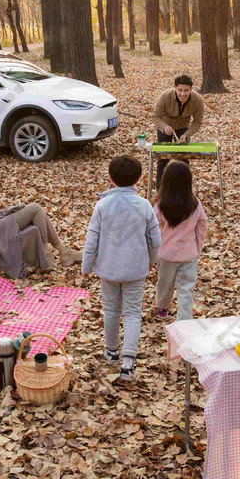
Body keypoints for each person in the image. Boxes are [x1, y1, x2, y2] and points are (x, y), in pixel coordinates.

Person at [82, 155, 161, 382]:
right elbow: (155, 239)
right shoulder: (145, 205)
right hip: (136, 269)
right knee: (133, 312)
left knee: (112, 310)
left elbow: (92, 239)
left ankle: (111, 350)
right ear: (138, 179)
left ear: (110, 178)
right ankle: (128, 362)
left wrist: (87, 265)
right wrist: (151, 260)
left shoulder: (102, 205)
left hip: (108, 268)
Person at [153, 160, 207, 320]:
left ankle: (162, 308)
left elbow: (153, 228)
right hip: (188, 254)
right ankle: (184, 319)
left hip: (167, 254)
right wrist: (198, 245)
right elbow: (202, 225)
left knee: (164, 284)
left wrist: (155, 249)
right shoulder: (195, 204)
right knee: (186, 288)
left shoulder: (161, 205)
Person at [151, 74, 205, 189]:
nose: (183, 94)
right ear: (175, 88)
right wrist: (164, 127)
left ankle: (184, 189)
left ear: (191, 89)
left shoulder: (198, 100)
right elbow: (155, 116)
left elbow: (197, 122)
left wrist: (187, 135)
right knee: (163, 159)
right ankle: (159, 190)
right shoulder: (165, 96)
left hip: (183, 128)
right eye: (180, 90)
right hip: (165, 128)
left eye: (186, 90)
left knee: (183, 159)